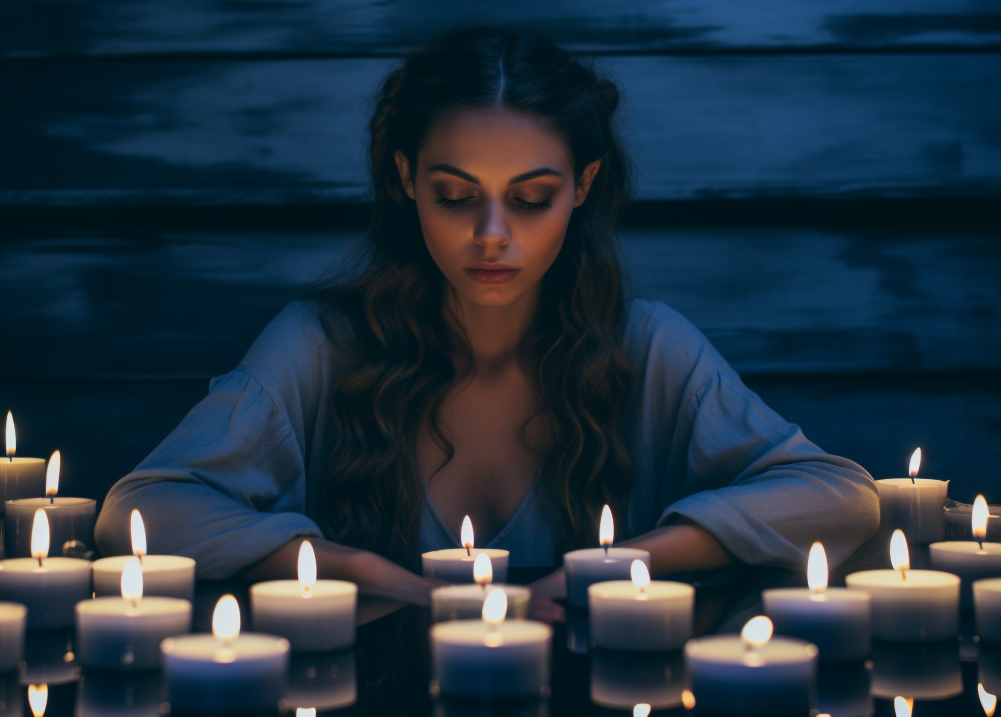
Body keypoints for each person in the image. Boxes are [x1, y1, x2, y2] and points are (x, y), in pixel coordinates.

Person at [94, 25, 879, 624]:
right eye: (457, 195)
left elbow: (838, 495)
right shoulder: (323, 345)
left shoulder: (644, 345)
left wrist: (611, 565)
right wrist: (361, 571)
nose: (493, 234)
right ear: (407, 180)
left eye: (532, 197)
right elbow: (143, 508)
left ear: (583, 186)